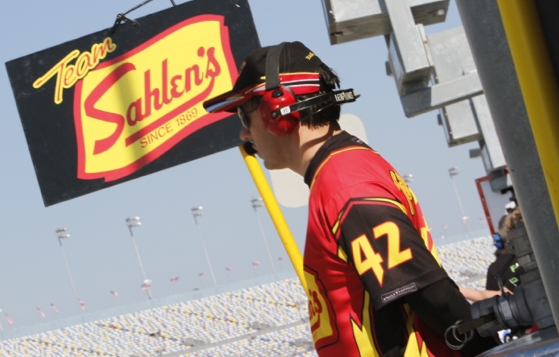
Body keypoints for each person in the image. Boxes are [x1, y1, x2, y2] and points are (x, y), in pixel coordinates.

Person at [204, 41, 497, 356]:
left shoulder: (343, 185)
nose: (244, 134)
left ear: (278, 111)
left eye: (243, 116)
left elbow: (436, 299)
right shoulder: (345, 170)